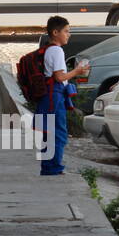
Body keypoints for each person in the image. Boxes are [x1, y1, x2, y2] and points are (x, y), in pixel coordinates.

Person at [37, 16, 88, 176]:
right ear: (55, 32)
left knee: (48, 131)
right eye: (66, 31)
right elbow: (59, 77)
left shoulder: (47, 49)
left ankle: (48, 166)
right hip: (55, 96)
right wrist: (77, 71)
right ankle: (54, 168)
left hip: (47, 95)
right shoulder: (57, 51)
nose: (69, 34)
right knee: (58, 132)